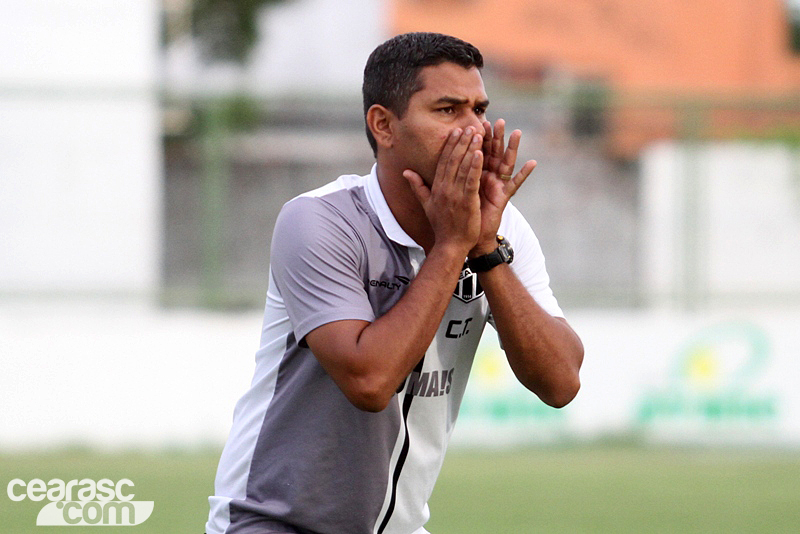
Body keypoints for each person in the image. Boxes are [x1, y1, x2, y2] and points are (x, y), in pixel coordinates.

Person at [205, 32, 583, 534]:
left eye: (479, 109)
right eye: (448, 111)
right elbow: (370, 381)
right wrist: (452, 246)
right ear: (383, 125)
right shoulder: (320, 222)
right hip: (274, 523)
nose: (474, 130)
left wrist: (485, 248)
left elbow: (561, 383)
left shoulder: (499, 227)